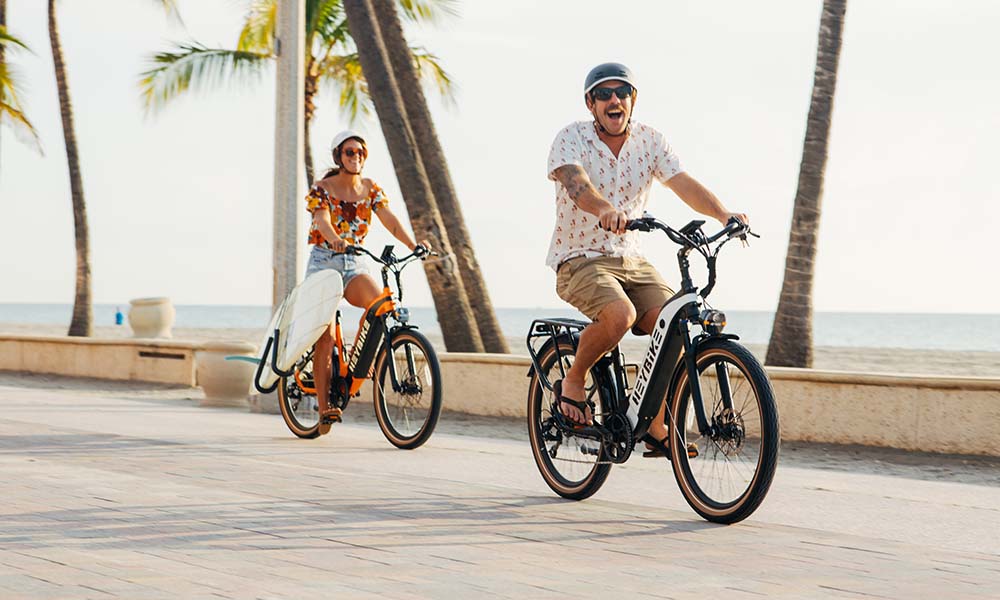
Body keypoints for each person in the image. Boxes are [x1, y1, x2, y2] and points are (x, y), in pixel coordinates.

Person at [546, 62, 748, 457]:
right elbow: (577, 186)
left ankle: (656, 425)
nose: (614, 99)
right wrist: (604, 209)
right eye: (604, 94)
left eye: (622, 92)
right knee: (619, 316)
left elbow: (683, 182)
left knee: (675, 323)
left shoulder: (651, 141)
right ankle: (574, 378)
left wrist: (724, 215)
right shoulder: (571, 138)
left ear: (632, 100)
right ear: (591, 104)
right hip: (579, 258)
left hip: (631, 259)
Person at [305, 130, 428, 429]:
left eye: (360, 152)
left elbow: (389, 219)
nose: (356, 156)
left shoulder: (371, 189)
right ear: (339, 156)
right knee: (325, 336)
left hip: (356, 261)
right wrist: (334, 239)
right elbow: (321, 219)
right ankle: (324, 409)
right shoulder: (322, 188)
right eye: (349, 152)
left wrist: (414, 246)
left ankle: (360, 360)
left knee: (379, 307)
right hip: (325, 261)